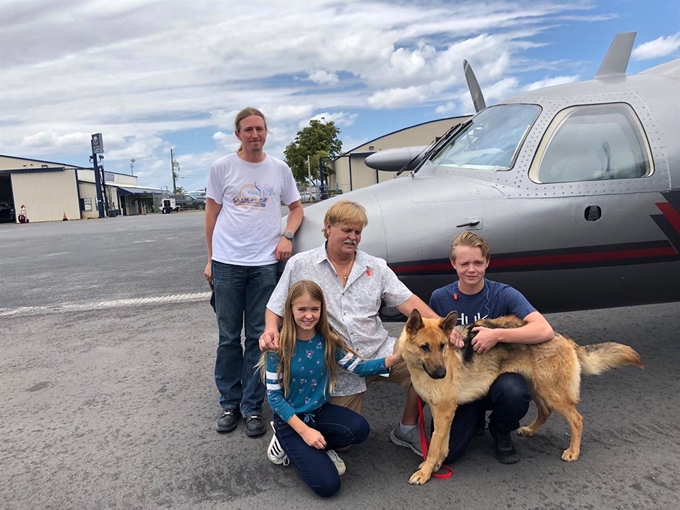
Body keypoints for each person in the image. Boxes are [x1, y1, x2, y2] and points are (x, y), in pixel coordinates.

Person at [260, 200, 439, 458]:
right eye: (347, 230)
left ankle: (407, 428)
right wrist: (270, 329)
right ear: (328, 228)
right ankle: (289, 431)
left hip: (379, 350)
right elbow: (275, 306)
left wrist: (439, 326)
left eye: (357, 232)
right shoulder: (301, 264)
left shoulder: (375, 266)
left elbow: (408, 301)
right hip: (337, 363)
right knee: (344, 441)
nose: (353, 237)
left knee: (428, 366)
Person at [205, 107, 304, 437]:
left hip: (264, 263)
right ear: (238, 134)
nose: (255, 135)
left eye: (260, 129)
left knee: (259, 337)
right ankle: (229, 403)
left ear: (266, 132)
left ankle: (251, 406)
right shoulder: (222, 168)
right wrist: (210, 258)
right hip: (228, 262)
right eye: (248, 130)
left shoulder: (279, 169)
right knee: (229, 338)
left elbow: (296, 208)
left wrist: (287, 235)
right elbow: (211, 215)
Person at [262, 280, 402, 497]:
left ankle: (319, 447)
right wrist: (305, 432)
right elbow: (274, 397)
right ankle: (283, 442)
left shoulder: (328, 340)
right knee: (328, 486)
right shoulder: (278, 347)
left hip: (319, 412)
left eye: (314, 309)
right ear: (290, 310)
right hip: (290, 421)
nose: (309, 315)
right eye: (302, 309)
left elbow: (360, 367)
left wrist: (395, 358)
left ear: (321, 310)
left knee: (359, 429)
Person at [429, 231, 554, 464]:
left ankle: (500, 429)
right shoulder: (440, 298)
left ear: (487, 262)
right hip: (459, 384)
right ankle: (473, 418)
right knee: (450, 454)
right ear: (453, 264)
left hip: (497, 377)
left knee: (515, 391)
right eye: (464, 263)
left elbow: (544, 330)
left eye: (478, 262)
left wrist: (497, 334)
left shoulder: (503, 293)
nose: (471, 269)